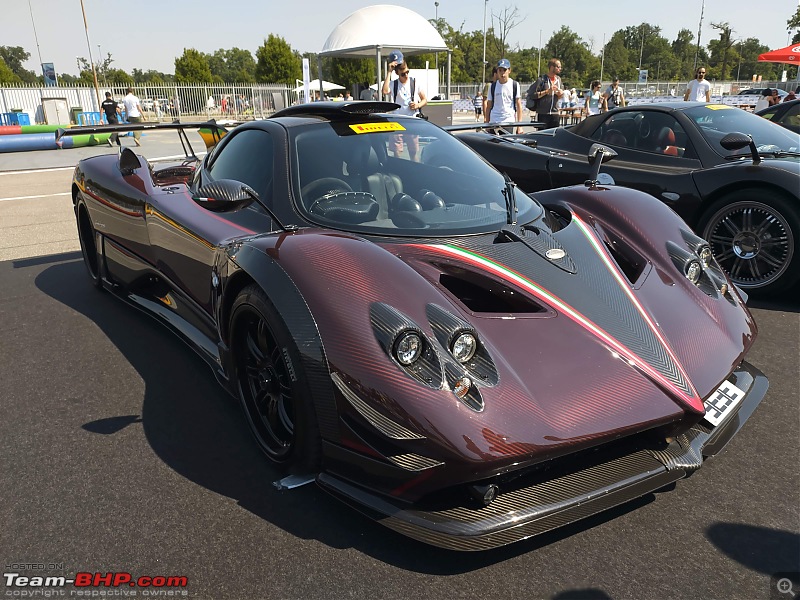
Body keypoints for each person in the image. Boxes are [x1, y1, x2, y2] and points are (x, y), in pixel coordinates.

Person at [382, 51, 428, 161]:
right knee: (397, 153)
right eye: (403, 73)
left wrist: (417, 105)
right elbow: (384, 90)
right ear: (397, 73)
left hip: (411, 121)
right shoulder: (394, 84)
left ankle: (415, 170)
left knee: (413, 153)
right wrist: (389, 72)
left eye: (407, 72)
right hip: (397, 122)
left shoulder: (414, 82)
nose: (406, 75)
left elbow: (425, 100)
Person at [531, 58, 564, 130]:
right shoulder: (542, 79)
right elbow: (534, 95)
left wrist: (560, 94)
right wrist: (547, 91)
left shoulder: (559, 79)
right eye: (558, 67)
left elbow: (560, 96)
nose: (560, 69)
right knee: (542, 136)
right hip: (543, 114)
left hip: (555, 113)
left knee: (554, 137)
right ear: (552, 67)